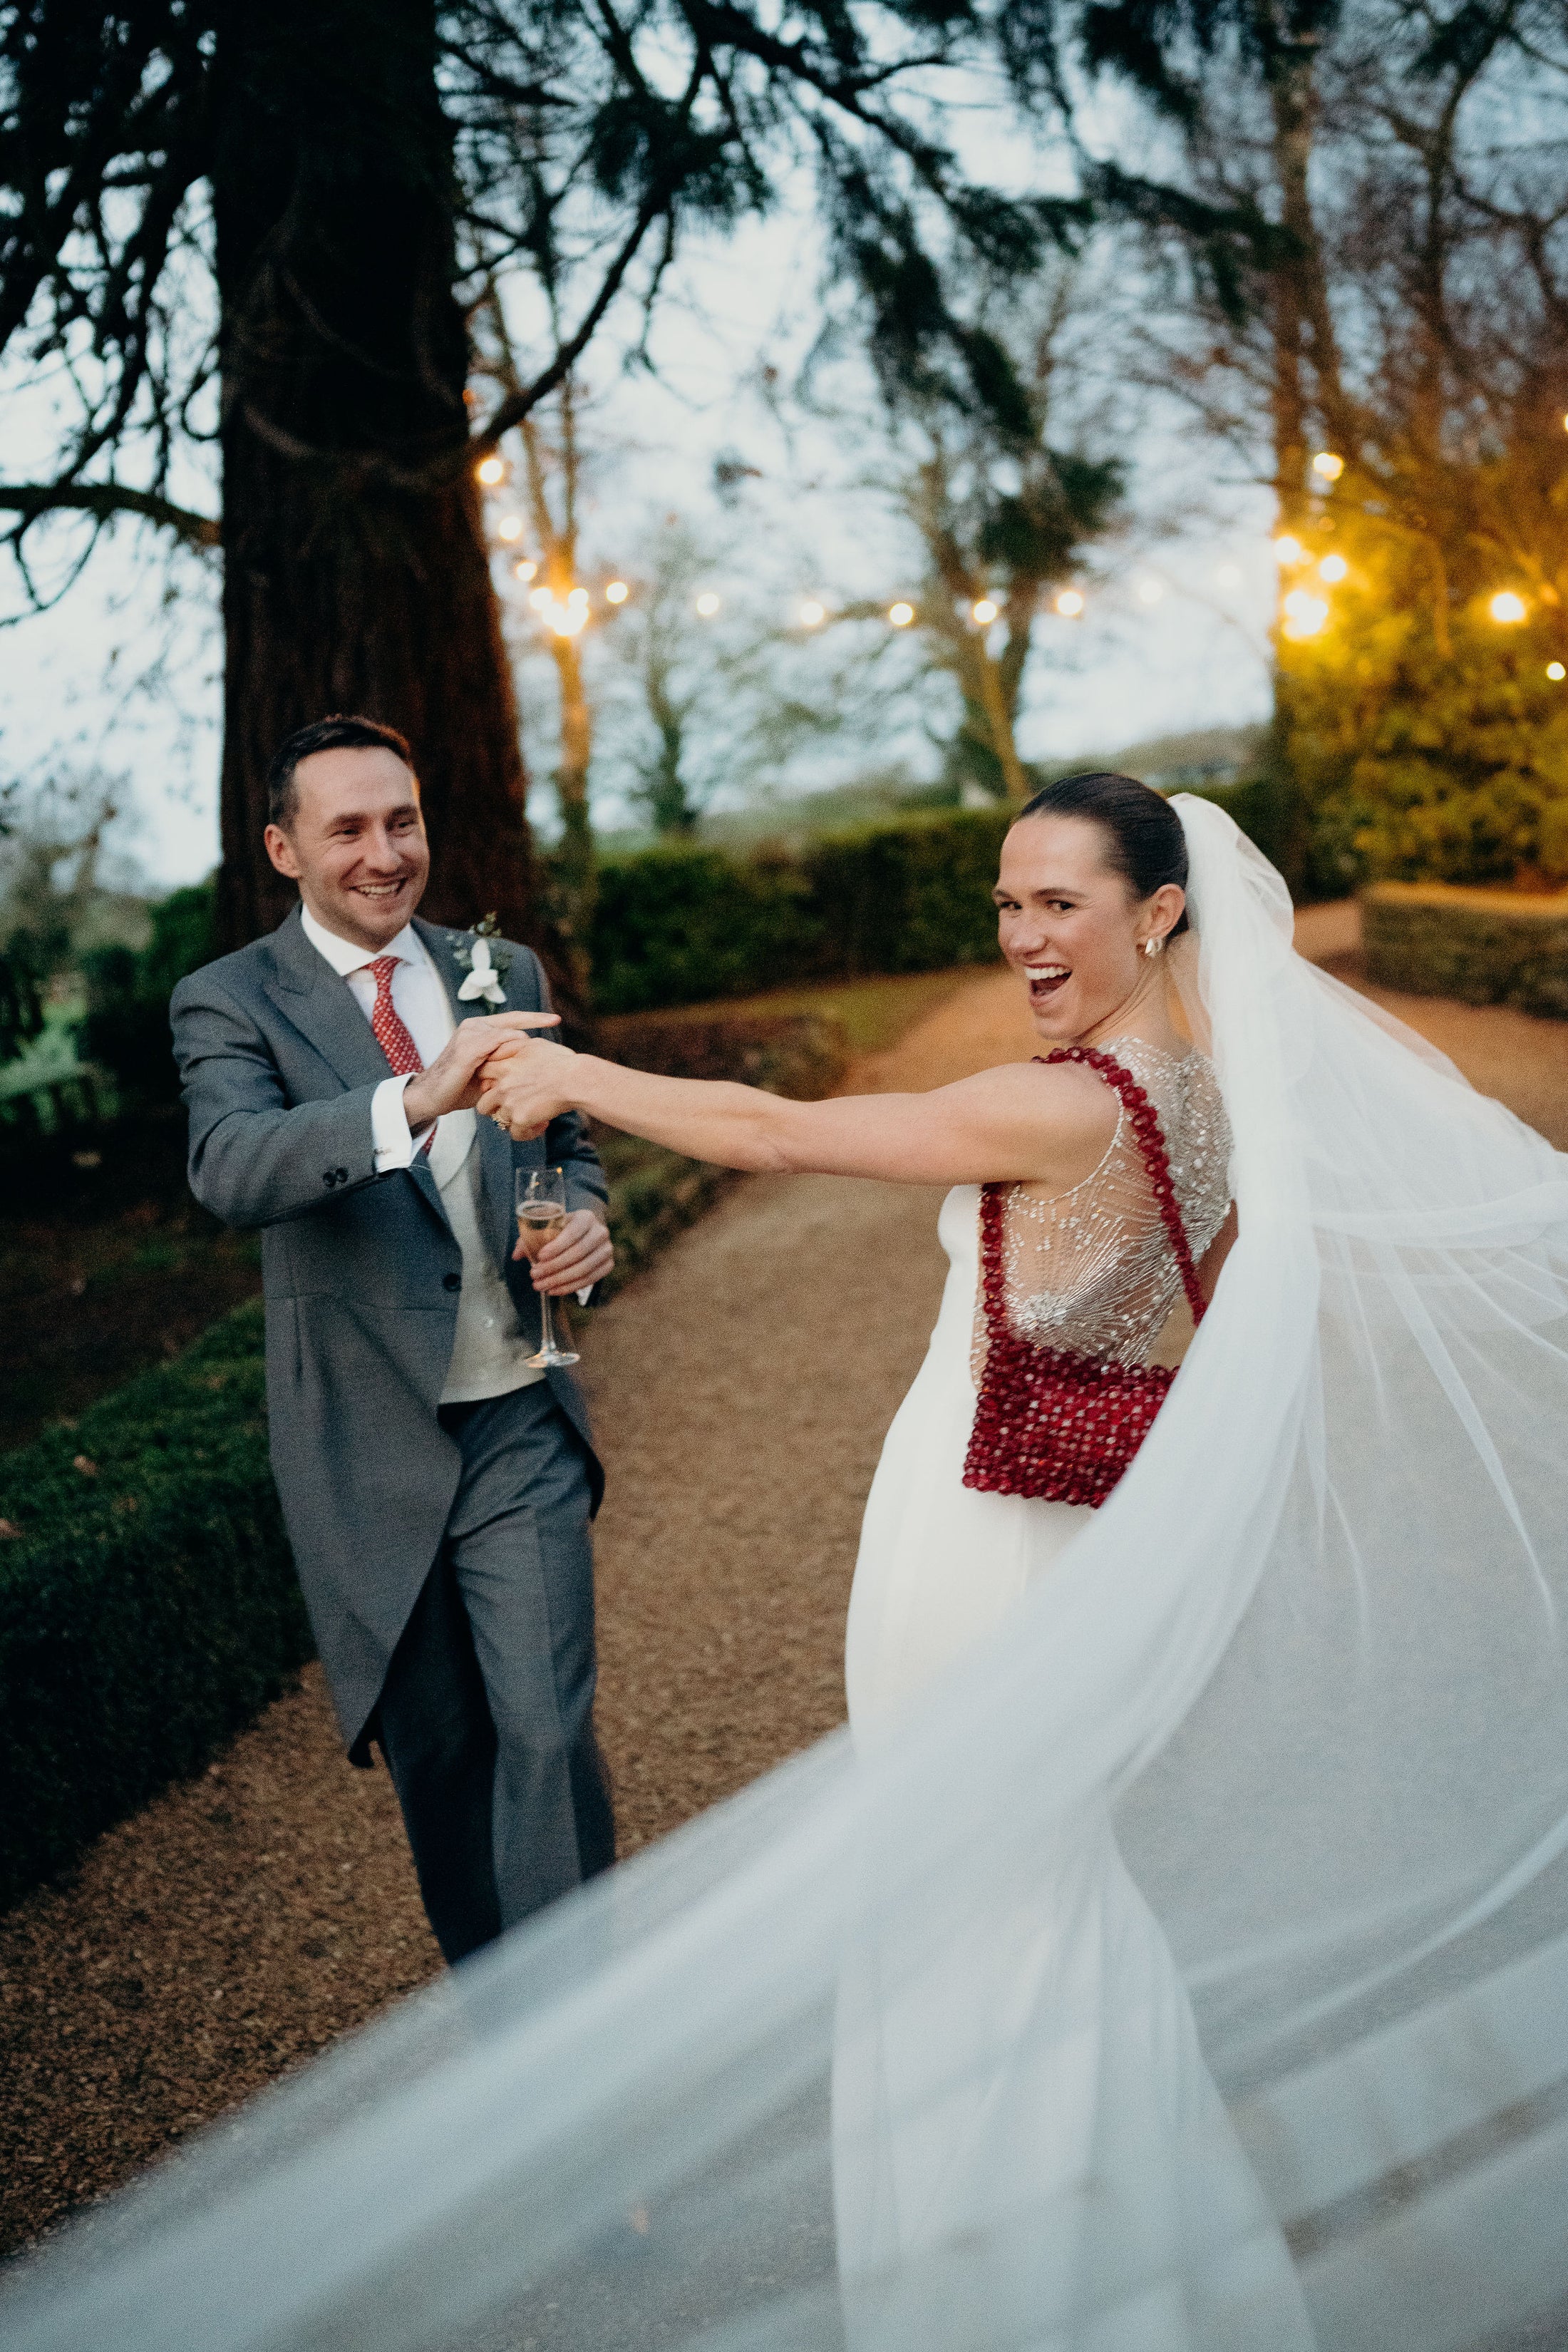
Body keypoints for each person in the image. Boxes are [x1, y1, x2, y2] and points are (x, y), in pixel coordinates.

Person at [13, 776, 1568, 2350]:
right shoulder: (1203, 1096)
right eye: (1004, 907)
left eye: (1058, 907)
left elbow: (777, 1127)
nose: (1023, 938)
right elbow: (1218, 1331)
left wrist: (574, 1078)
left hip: (976, 1557)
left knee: (972, 1904)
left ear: (1159, 912)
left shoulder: (1067, 1103)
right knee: (1036, 1885)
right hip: (1052, 1539)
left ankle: (1007, 2283)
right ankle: (1121, 2261)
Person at [169, 714, 617, 1965]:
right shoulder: (227, 1002)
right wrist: (418, 1096)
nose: (385, 852)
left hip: (519, 1409)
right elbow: (231, 1167)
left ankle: (595, 2035)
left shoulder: (504, 969)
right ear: (283, 847)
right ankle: (507, 2039)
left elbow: (569, 1148)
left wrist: (584, 1225)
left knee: (544, 1722)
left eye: (403, 820)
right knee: (444, 1750)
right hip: (369, 1442)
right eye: (349, 828)